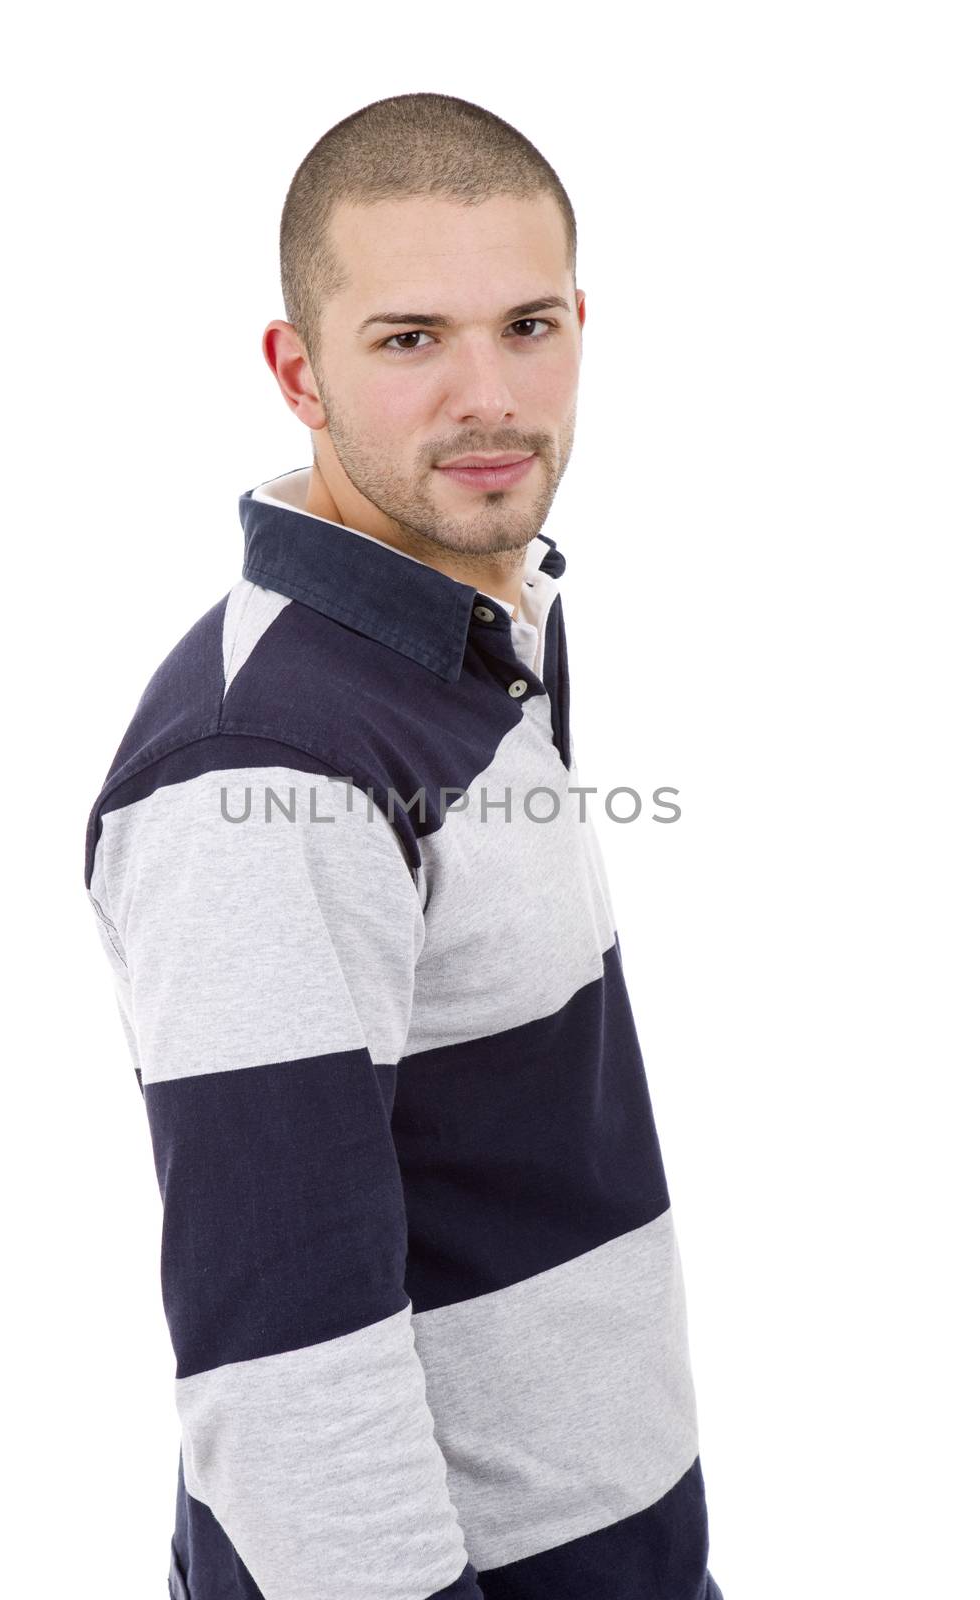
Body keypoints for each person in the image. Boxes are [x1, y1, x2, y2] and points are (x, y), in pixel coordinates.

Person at [83, 91, 724, 1600]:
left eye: (528, 323)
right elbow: (287, 1381)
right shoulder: (271, 763)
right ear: (297, 372)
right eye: (410, 339)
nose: (489, 397)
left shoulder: (467, 632)